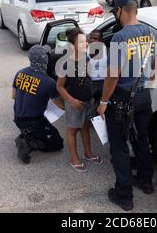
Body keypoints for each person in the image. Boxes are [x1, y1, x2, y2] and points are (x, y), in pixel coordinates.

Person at [97, 0, 157, 211]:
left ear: (122, 10)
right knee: (141, 140)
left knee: (119, 146)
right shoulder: (152, 33)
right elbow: (156, 67)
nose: (116, 15)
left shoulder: (120, 37)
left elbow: (113, 75)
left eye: (115, 11)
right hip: (144, 96)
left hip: (123, 98)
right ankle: (146, 181)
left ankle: (123, 195)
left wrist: (104, 101)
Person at [57, 28, 103, 173]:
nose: (86, 44)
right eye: (82, 42)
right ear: (72, 45)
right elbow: (59, 86)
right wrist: (71, 101)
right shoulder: (66, 63)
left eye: (86, 41)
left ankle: (88, 153)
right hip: (74, 103)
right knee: (72, 129)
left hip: (87, 101)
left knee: (85, 126)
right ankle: (74, 158)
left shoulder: (87, 59)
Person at [12, 45, 65, 164]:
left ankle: (28, 133)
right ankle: (27, 142)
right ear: (45, 59)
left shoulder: (20, 73)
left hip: (17, 117)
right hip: (34, 121)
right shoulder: (48, 81)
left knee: (41, 130)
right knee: (57, 143)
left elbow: (14, 96)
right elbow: (60, 104)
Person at [88, 29, 107, 103]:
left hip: (104, 82)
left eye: (95, 39)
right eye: (91, 38)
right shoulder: (85, 50)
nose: (92, 40)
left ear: (101, 40)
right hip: (91, 82)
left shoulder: (108, 51)